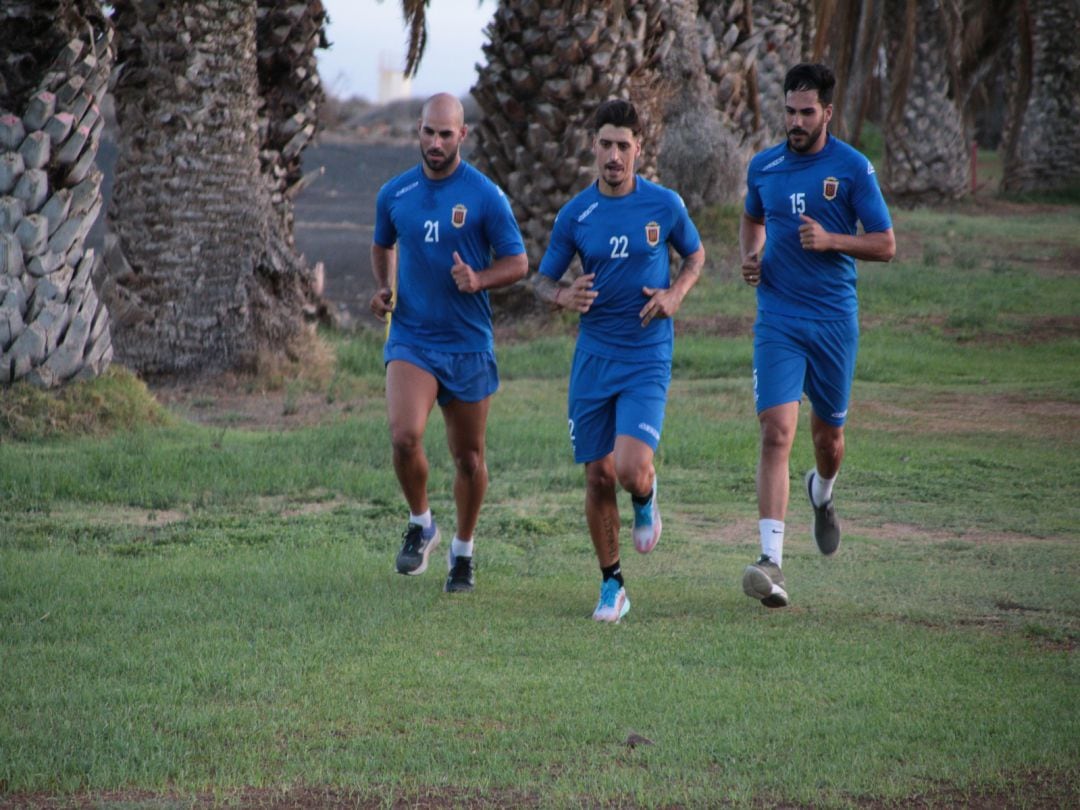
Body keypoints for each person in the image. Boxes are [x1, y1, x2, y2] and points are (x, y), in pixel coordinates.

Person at [534, 99, 705, 623]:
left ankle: (647, 494)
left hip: (646, 352)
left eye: (624, 146)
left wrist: (676, 293)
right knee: (596, 477)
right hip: (593, 358)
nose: (614, 155)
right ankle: (613, 586)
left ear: (639, 149)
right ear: (594, 146)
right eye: (606, 144)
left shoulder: (664, 204)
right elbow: (540, 279)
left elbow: (695, 256)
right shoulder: (575, 215)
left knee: (629, 468)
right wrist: (562, 297)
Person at [739, 63, 895, 607]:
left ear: (828, 111)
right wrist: (750, 256)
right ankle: (771, 562)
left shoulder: (852, 168)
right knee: (777, 431)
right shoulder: (765, 166)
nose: (797, 121)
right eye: (790, 111)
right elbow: (752, 218)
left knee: (827, 442)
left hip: (832, 321)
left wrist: (833, 240)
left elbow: (886, 243)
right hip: (778, 317)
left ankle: (821, 493)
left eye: (808, 112)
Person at [369, 93, 528, 593]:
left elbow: (518, 263)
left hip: (467, 344)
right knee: (404, 436)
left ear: (463, 135)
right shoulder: (395, 193)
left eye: (445, 134)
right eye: (428, 132)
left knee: (469, 460)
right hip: (413, 338)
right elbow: (382, 243)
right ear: (417, 131)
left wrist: (479, 280)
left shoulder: (484, 195)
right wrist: (384, 287)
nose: (435, 143)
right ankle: (421, 524)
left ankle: (463, 551)